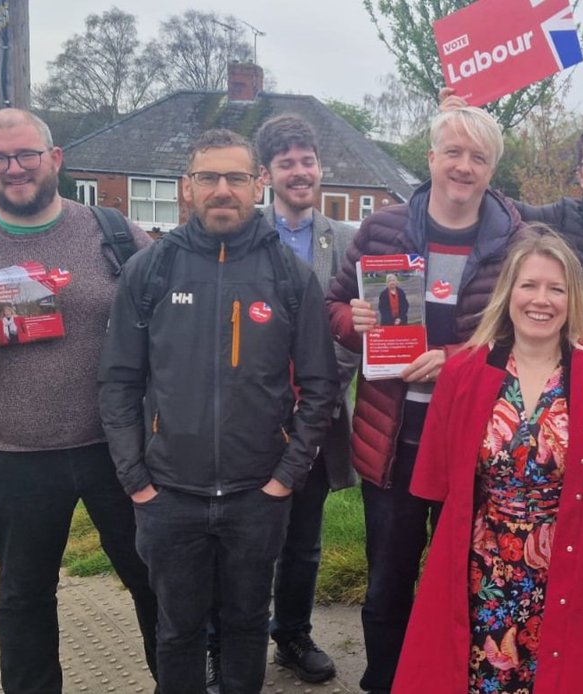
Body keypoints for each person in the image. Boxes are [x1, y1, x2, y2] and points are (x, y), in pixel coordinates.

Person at [0, 108, 158, 693]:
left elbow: (170, 316)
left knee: (156, 583)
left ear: (54, 159)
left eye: (26, 155)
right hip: (11, 455)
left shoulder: (116, 234)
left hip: (119, 451)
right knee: (23, 598)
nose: (14, 168)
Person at [98, 128, 338, 694]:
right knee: (178, 632)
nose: (222, 190)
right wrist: (136, 481)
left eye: (235, 177)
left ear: (258, 184)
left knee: (247, 626)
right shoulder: (150, 270)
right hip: (169, 496)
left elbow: (320, 386)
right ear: (188, 187)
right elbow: (117, 381)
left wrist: (286, 478)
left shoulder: (288, 275)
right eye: (209, 177)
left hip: (258, 497)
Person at [393, 228, 583, 693]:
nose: (542, 300)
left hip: (574, 565)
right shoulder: (464, 371)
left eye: (557, 289)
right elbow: (436, 482)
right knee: (485, 678)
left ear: (572, 299)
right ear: (508, 292)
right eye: (529, 285)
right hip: (484, 571)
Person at [325, 105, 523, 694]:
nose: (464, 166)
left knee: (469, 575)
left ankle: (455, 678)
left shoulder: (516, 240)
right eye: (453, 153)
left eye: (479, 157)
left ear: (491, 169)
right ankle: (385, 679)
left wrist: (460, 360)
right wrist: (351, 320)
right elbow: (332, 305)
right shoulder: (382, 230)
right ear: (431, 159)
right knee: (387, 577)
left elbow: (530, 335)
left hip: (474, 443)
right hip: (394, 441)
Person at [230, 113, 360, 685]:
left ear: (319, 168)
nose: (300, 172)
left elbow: (365, 324)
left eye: (307, 161)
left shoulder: (349, 241)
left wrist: (327, 386)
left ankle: (293, 637)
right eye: (287, 164)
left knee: (304, 541)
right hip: (245, 416)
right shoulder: (237, 236)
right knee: (240, 536)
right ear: (266, 174)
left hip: (318, 413)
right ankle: (229, 640)